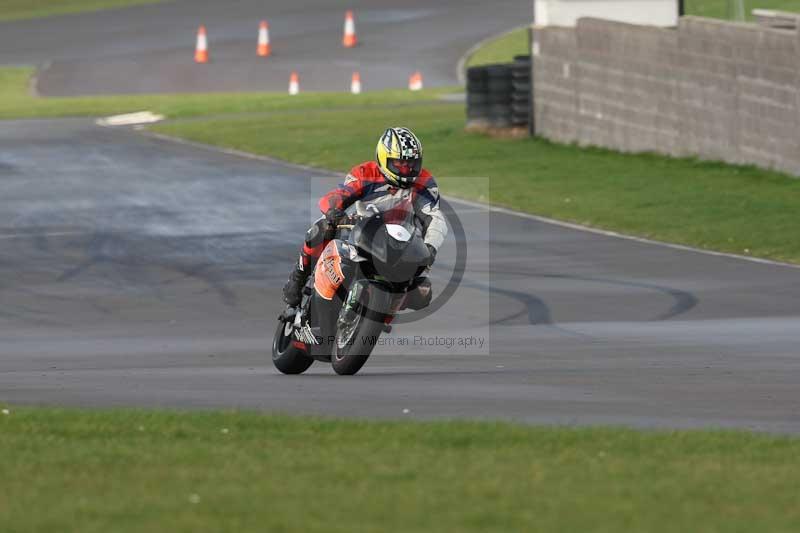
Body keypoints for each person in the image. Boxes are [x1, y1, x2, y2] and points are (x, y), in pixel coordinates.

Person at [282, 126, 447, 307]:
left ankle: (383, 309)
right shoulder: (365, 173)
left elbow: (435, 217)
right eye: (399, 163)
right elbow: (336, 196)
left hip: (400, 243)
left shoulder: (424, 182)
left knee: (423, 294)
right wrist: (333, 212)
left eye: (412, 164)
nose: (406, 170)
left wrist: (430, 248)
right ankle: (297, 279)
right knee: (321, 228)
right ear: (383, 158)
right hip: (361, 232)